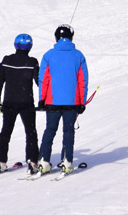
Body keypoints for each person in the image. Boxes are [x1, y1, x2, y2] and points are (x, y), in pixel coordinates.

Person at [37, 24, 89, 175]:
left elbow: (44, 79)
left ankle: (44, 161)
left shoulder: (48, 55)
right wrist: (82, 102)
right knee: (68, 132)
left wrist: (42, 99)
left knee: (50, 130)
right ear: (71, 37)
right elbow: (82, 81)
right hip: (72, 102)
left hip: (52, 101)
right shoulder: (78, 55)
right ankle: (67, 161)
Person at [0, 33, 40, 174]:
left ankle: (0, 160)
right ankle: (32, 160)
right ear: (30, 47)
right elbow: (39, 82)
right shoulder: (32, 62)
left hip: (9, 102)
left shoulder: (7, 60)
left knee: (6, 131)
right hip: (27, 102)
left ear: (16, 45)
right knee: (30, 132)